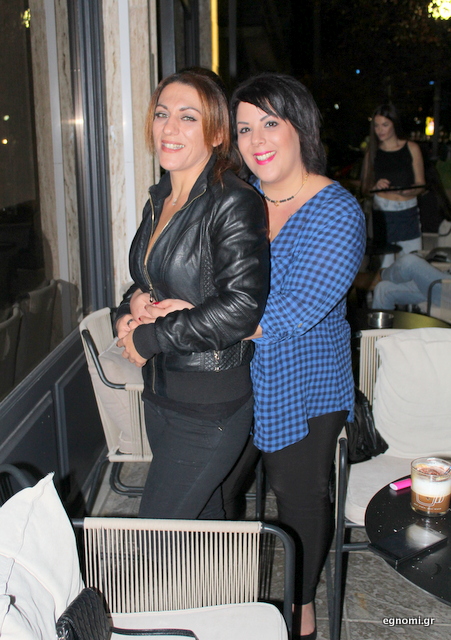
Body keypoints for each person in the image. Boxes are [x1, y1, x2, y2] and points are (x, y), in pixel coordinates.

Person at [228, 73, 366, 639]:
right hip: (234, 375)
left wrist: (193, 323)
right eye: (243, 128)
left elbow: (293, 310)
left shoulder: (337, 211)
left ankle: (301, 608)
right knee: (221, 486)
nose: (255, 139)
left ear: (299, 126)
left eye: (269, 122)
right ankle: (226, 592)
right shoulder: (239, 200)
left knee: (299, 495)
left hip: (305, 380)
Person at [115, 69, 269, 521]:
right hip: (161, 392)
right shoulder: (160, 198)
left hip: (209, 403)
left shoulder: (233, 201)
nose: (169, 128)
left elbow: (241, 309)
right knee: (202, 534)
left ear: (217, 133)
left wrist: (149, 338)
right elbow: (151, 279)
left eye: (187, 117)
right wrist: (129, 308)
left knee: (158, 537)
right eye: (162, 114)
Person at [361, 104, 425, 268]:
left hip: (408, 211)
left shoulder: (412, 148)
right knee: (385, 266)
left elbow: (421, 184)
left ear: (394, 124)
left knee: (413, 264)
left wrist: (411, 190)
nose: (380, 130)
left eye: (385, 125)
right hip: (383, 212)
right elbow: (365, 188)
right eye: (376, 125)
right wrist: (376, 186)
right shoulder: (372, 152)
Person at [372, 252, 450, 310]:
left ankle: (380, 276)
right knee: (383, 289)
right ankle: (382, 327)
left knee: (409, 262)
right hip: (446, 280)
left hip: (447, 287)